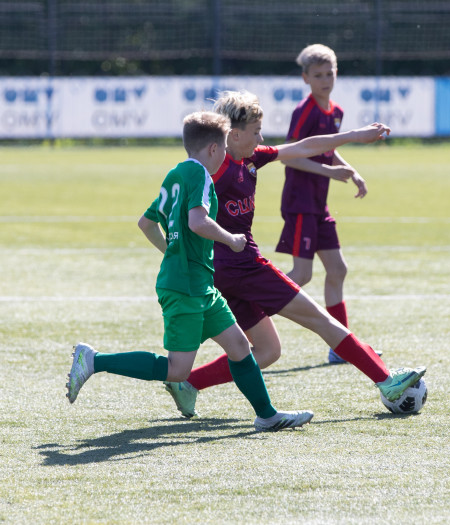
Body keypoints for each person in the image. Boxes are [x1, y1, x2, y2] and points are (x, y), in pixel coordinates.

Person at [162, 90, 425, 419]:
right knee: (321, 320)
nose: (262, 138)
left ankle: (188, 384)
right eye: (257, 131)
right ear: (234, 135)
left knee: (269, 350)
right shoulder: (215, 170)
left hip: (226, 272)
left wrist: (355, 135)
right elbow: (189, 213)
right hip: (243, 266)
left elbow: (303, 147)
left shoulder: (249, 158)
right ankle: (387, 381)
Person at [66, 111, 314, 432]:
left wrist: (173, 252)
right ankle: (94, 361)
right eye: (224, 148)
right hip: (185, 287)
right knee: (178, 370)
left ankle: (267, 415)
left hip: (200, 284)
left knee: (239, 347)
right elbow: (198, 222)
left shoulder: (177, 173)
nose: (225, 155)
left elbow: (146, 222)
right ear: (213, 148)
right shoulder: (199, 175)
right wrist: (230, 238)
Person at [276, 44, 368, 364]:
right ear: (305, 78)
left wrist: (352, 172)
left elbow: (328, 147)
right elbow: (291, 155)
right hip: (300, 203)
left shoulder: (336, 112)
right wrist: (329, 170)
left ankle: (339, 346)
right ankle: (252, 304)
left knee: (338, 269)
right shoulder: (305, 111)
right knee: (301, 275)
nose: (325, 79)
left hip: (319, 204)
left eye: (330, 73)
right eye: (318, 75)